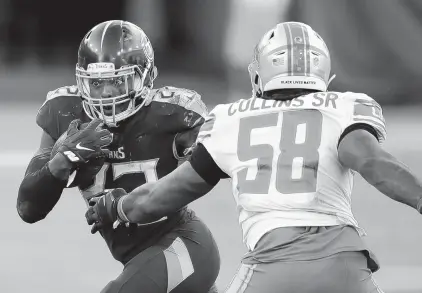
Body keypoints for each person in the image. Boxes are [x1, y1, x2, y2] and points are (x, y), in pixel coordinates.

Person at [87, 22, 422, 293]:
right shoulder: (344, 107)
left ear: (261, 72)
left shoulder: (233, 119)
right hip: (346, 262)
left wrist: (118, 206)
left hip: (272, 264)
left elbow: (166, 194)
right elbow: (375, 164)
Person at [17, 20, 220, 293]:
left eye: (118, 80)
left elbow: (216, 169)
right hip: (140, 260)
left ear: (147, 77)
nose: (107, 92)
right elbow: (29, 208)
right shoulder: (65, 114)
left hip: (184, 245)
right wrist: (62, 160)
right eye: (97, 83)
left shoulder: (175, 116)